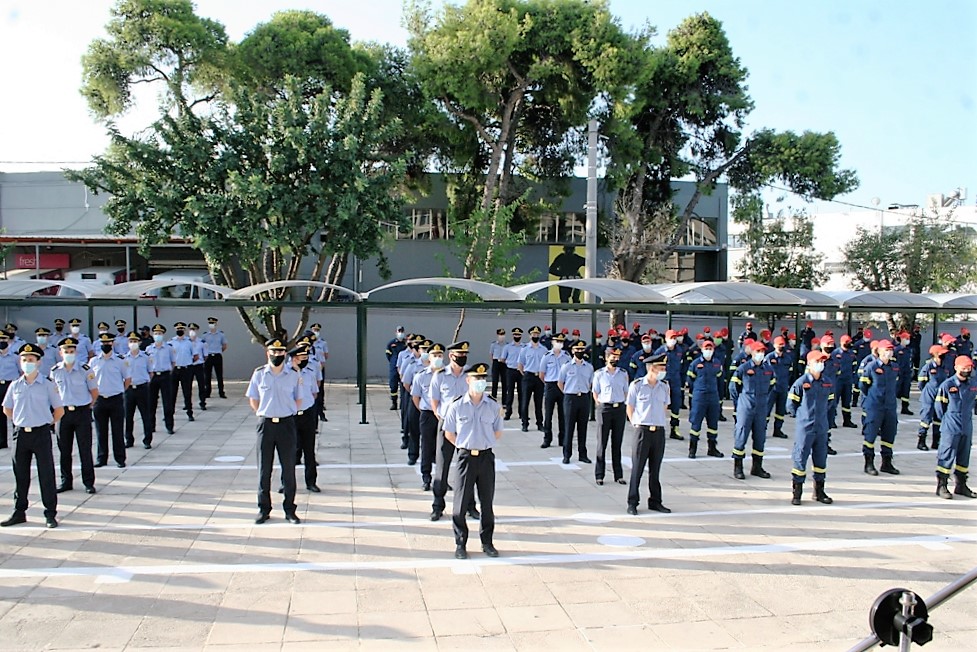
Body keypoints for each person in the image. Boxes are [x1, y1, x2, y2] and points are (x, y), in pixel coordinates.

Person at [441, 362, 503, 559]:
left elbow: (497, 431)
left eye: (483, 378)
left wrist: (483, 442)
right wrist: (463, 445)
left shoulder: (493, 405)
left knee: (487, 503)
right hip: (465, 457)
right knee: (460, 504)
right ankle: (460, 543)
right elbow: (449, 432)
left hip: (486, 457)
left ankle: (487, 542)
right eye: (477, 378)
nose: (480, 382)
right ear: (468, 380)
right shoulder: (457, 405)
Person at [1, 343, 65, 528]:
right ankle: (19, 512)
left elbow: (59, 410)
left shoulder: (47, 384)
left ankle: (50, 513)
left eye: (31, 360)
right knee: (20, 475)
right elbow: (7, 408)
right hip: (21, 434)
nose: (27, 363)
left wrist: (46, 422)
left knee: (46, 474)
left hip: (41, 433)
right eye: (24, 360)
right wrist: (20, 421)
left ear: (38, 362)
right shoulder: (15, 385)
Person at [246, 338, 302, 524]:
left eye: (280, 352)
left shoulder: (293, 374)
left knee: (288, 469)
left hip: (286, 424)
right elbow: (253, 398)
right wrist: (263, 412)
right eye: (274, 351)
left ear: (285, 353)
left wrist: (286, 410)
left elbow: (299, 399)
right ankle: (264, 509)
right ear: (267, 353)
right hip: (266, 424)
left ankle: (290, 510)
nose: (277, 355)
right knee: (264, 470)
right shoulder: (259, 374)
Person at [48, 337, 98, 494]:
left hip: (81, 412)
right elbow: (52, 393)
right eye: (66, 351)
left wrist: (87, 407)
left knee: (85, 449)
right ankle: (66, 481)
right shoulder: (55, 371)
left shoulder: (85, 369)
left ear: (76, 352)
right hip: (63, 414)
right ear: (60, 353)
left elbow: (94, 392)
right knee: (64, 450)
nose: (69, 354)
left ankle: (88, 482)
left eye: (71, 351)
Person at [430, 341, 473, 522]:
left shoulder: (470, 375)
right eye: (459, 355)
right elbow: (434, 401)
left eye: (465, 355)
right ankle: (437, 505)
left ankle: (470, 505)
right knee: (442, 465)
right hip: (447, 424)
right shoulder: (440, 376)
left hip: (466, 426)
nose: (462, 357)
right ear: (451, 356)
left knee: (468, 467)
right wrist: (442, 418)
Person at [625, 353, 672, 514]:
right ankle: (632, 502)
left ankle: (655, 501)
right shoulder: (637, 385)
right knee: (637, 469)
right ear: (652, 368)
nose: (663, 371)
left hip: (658, 431)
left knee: (655, 469)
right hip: (642, 431)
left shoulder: (664, 386)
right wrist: (636, 424)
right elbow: (630, 407)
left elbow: (665, 406)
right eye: (661, 368)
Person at [787, 351, 834, 506]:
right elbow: (791, 405)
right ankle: (797, 492)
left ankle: (819, 491)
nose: (821, 364)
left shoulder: (827, 382)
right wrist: (803, 417)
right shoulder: (801, 383)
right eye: (817, 361)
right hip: (805, 427)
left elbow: (830, 402)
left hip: (821, 426)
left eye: (822, 361)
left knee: (820, 458)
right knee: (800, 457)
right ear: (810, 363)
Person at [729, 341, 775, 480]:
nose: (760, 354)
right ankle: (738, 467)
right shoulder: (743, 368)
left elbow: (771, 386)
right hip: (746, 407)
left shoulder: (768, 369)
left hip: (761, 407)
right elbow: (733, 388)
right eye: (758, 351)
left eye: (762, 352)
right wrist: (740, 404)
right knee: (741, 436)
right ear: (752, 353)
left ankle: (757, 467)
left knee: (760, 437)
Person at [933, 354, 976, 499]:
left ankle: (961, 485)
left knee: (964, 456)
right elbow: (939, 408)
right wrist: (948, 421)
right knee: (946, 455)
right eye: (964, 368)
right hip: (951, 426)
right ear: (956, 367)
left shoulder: (972, 384)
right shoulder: (947, 385)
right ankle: (942, 486)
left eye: (969, 368)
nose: (967, 370)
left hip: (966, 425)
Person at [860, 339, 901, 476]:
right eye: (886, 350)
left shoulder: (894, 367)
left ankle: (886, 463)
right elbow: (863, 386)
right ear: (879, 351)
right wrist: (873, 398)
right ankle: (869, 463)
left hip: (890, 406)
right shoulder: (871, 367)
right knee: (870, 434)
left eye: (891, 350)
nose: (889, 352)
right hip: (874, 406)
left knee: (889, 434)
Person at [90, 333, 131, 468]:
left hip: (116, 399)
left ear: (112, 344)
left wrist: (120, 390)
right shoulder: (94, 361)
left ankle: (120, 458)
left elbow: (127, 379)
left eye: (108, 343)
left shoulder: (120, 361)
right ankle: (102, 458)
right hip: (100, 400)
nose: (105, 345)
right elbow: (90, 381)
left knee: (117, 430)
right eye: (103, 343)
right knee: (100, 431)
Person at [592, 342, 630, 483]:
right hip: (605, 409)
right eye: (613, 357)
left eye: (617, 357)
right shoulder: (599, 374)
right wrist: (600, 404)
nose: (615, 359)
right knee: (602, 443)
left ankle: (618, 475)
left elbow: (626, 391)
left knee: (617, 443)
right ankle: (599, 475)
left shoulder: (623, 374)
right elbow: (595, 392)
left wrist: (622, 403)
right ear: (607, 357)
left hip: (619, 408)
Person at [412, 342, 444, 491]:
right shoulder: (421, 376)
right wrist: (424, 410)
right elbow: (415, 397)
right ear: (429, 358)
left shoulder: (447, 375)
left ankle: (442, 478)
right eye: (434, 355)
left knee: (443, 448)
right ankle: (426, 477)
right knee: (426, 445)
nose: (437, 358)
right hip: (427, 414)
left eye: (440, 355)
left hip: (443, 416)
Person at [686, 339, 724, 459]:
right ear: (702, 350)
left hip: (713, 396)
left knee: (713, 423)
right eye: (706, 348)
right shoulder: (695, 364)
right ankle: (692, 449)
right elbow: (690, 380)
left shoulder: (717, 363)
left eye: (710, 349)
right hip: (700, 397)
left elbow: (719, 380)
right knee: (696, 423)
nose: (708, 351)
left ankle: (712, 448)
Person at [290, 341, 321, 493]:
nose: (304, 360)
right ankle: (286, 482)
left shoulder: (310, 372)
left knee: (309, 450)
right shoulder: (287, 373)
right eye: (301, 357)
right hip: (291, 415)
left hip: (307, 414)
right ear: (294, 358)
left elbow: (314, 392)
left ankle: (311, 482)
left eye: (306, 357)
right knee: (289, 451)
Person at [558, 340, 594, 465]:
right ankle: (566, 455)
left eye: (582, 349)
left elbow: (591, 383)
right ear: (573, 351)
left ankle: (582, 454)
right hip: (570, 398)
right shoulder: (566, 366)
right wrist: (567, 392)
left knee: (582, 428)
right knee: (569, 427)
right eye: (577, 349)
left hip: (583, 398)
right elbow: (560, 383)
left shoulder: (589, 367)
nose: (580, 351)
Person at [122, 331, 153, 449]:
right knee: (128, 416)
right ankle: (129, 439)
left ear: (139, 342)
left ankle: (147, 440)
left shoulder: (146, 357)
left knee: (146, 415)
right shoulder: (123, 358)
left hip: (142, 388)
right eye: (131, 341)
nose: (133, 343)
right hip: (129, 389)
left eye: (135, 341)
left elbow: (151, 373)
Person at [654, 329, 686, 440]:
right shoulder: (660, 351)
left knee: (676, 406)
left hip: (675, 381)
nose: (673, 340)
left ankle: (674, 428)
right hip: (663, 382)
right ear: (666, 339)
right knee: (660, 405)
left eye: (674, 338)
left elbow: (681, 366)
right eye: (671, 338)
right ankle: (657, 428)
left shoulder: (679, 351)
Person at [539, 333, 569, 449]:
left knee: (563, 414)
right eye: (557, 341)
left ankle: (563, 439)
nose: (559, 344)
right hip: (550, 386)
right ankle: (547, 439)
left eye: (561, 342)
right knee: (548, 414)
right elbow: (542, 374)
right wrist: (548, 384)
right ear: (552, 342)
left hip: (563, 387)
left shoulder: (566, 356)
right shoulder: (547, 356)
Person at [917, 344, 950, 451]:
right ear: (935, 355)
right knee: (926, 418)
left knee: (938, 418)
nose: (943, 356)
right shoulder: (928, 367)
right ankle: (921, 440)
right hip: (929, 396)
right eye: (941, 354)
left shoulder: (945, 367)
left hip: (940, 397)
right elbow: (921, 383)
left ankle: (936, 441)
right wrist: (927, 392)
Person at [147, 324, 176, 435]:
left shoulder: (169, 348)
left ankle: (169, 426)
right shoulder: (149, 348)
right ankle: (151, 425)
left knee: (167, 402)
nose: (157, 335)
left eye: (159, 333)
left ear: (163, 334)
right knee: (151, 402)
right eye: (155, 333)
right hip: (153, 376)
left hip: (165, 376)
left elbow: (173, 362)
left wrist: (168, 373)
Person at [517, 325, 546, 432]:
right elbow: (520, 365)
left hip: (539, 378)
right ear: (530, 336)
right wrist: (525, 375)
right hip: (528, 376)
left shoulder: (544, 350)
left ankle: (540, 423)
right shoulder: (524, 349)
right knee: (525, 402)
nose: (535, 336)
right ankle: (525, 423)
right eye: (533, 334)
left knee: (539, 403)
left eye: (537, 334)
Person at [765, 336, 793, 439]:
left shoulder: (788, 358)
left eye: (782, 344)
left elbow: (790, 373)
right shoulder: (769, 357)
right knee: (766, 410)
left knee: (780, 411)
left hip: (783, 387)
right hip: (771, 389)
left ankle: (778, 430)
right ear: (774, 345)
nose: (781, 346)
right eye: (779, 344)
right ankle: (762, 430)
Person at [0, 332, 22, 449]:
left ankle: (17, 438)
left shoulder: (15, 357)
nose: (2, 341)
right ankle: (2, 441)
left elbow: (21, 372)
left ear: (8, 340)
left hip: (11, 385)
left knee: (15, 411)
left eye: (4, 339)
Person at [170, 322, 195, 423]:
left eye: (181, 329)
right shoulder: (171, 342)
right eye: (178, 329)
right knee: (172, 393)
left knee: (187, 392)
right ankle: (170, 413)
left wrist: (188, 363)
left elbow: (195, 356)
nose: (179, 330)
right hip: (175, 370)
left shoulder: (189, 342)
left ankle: (190, 413)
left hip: (186, 369)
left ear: (184, 330)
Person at [201, 316, 228, 400]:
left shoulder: (221, 334)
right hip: (208, 356)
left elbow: (224, 345)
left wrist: (218, 351)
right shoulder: (205, 335)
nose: (211, 324)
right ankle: (207, 392)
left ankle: (221, 392)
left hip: (217, 356)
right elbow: (202, 346)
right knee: (207, 375)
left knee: (219, 375)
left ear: (216, 324)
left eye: (213, 323)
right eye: (210, 323)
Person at [500, 327, 525, 419]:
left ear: (521, 336)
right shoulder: (507, 347)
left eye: (518, 335)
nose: (517, 336)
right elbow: (503, 359)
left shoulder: (524, 347)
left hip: (521, 371)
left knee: (521, 393)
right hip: (510, 370)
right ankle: (508, 413)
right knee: (510, 392)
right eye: (515, 335)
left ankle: (522, 413)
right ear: (513, 335)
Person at [187, 323, 207, 411]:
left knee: (201, 385)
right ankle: (187, 403)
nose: (192, 331)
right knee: (187, 386)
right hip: (189, 366)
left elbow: (205, 355)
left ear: (197, 330)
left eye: (194, 329)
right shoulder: (186, 342)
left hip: (199, 365)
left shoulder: (202, 342)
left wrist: (200, 361)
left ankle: (202, 402)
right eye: (191, 329)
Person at [489, 328, 507, 399]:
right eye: (500, 335)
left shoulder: (507, 345)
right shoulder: (493, 344)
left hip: (504, 363)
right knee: (495, 380)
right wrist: (494, 362)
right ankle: (494, 397)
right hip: (496, 362)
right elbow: (491, 354)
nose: (501, 336)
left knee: (504, 381)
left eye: (503, 334)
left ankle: (504, 399)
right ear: (497, 335)